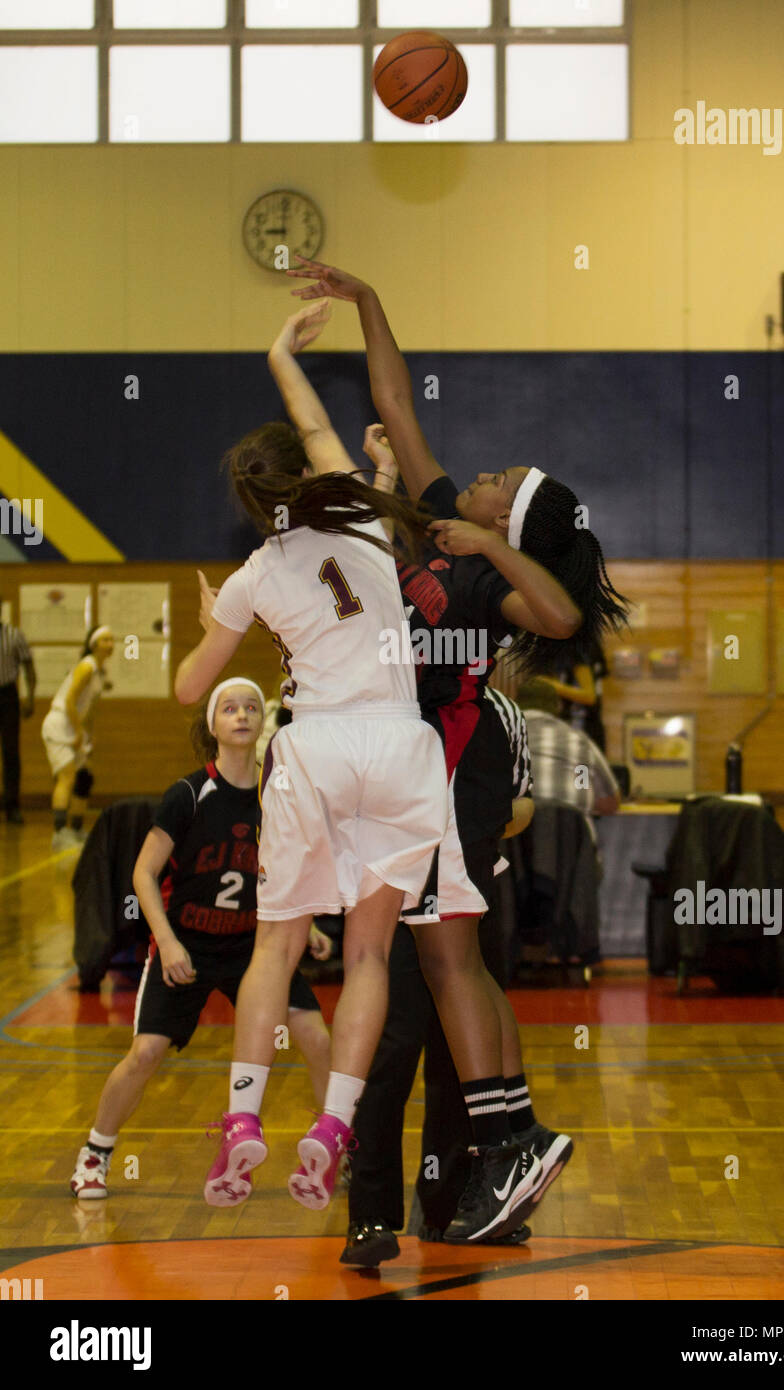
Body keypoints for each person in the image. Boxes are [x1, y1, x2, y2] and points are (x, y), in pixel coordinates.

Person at [286, 256, 629, 1242]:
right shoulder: (438, 524)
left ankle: (509, 1137)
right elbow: (394, 401)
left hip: (454, 777)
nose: (482, 474)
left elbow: (562, 619)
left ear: (506, 520)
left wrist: (493, 550)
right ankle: (510, 1136)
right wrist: (368, 299)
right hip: (416, 781)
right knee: (453, 964)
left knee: (447, 965)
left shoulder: (485, 574)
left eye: (499, 483)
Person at [174, 299, 449, 1212]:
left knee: (277, 945)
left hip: (317, 744)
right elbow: (316, 420)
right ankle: (333, 1127)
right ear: (307, 472)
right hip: (399, 745)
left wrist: (215, 619)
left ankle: (242, 1121)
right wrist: (281, 356)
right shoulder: (364, 512)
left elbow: (187, 690)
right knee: (368, 955)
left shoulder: (254, 573)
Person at [69, 678, 331, 1200]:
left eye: (251, 707)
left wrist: (310, 925)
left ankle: (338, 1151)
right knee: (146, 1052)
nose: (243, 715)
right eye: (230, 708)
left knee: (316, 1036)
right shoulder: (189, 794)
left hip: (254, 948)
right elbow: (144, 873)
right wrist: (166, 942)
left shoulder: (276, 796)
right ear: (212, 725)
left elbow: (281, 873)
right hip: (187, 944)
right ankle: (95, 1153)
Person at [342, 687, 537, 1266]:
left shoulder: (498, 711)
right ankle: (369, 1216)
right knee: (389, 1050)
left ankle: (450, 1205)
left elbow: (522, 803)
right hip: (390, 898)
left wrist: (463, 828)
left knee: (460, 1059)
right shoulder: (387, 696)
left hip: (465, 889)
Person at [514, 676, 620, 965]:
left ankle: (514, 948)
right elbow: (609, 803)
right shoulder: (578, 742)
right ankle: (575, 945)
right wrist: (574, 798)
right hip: (572, 857)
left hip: (514, 858)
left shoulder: (502, 737)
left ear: (516, 705)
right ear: (557, 707)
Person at [41, 626, 114, 851]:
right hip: (59, 725)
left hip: (75, 728)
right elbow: (70, 700)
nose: (110, 644)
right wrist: (78, 732)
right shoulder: (87, 665)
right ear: (93, 644)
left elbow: (89, 710)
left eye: (111, 640)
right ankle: (59, 833)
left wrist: (88, 737)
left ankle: (76, 829)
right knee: (67, 777)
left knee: (84, 777)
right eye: (104, 640)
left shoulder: (99, 672)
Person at [0, 604, 36, 824]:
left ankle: (12, 805)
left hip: (7, 695)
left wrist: (30, 697)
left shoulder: (13, 635)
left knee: (11, 752)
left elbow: (29, 667)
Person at [546, 636, 609, 753]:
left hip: (582, 726)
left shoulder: (577, 652)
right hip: (578, 726)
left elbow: (589, 696)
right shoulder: (573, 652)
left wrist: (551, 685)